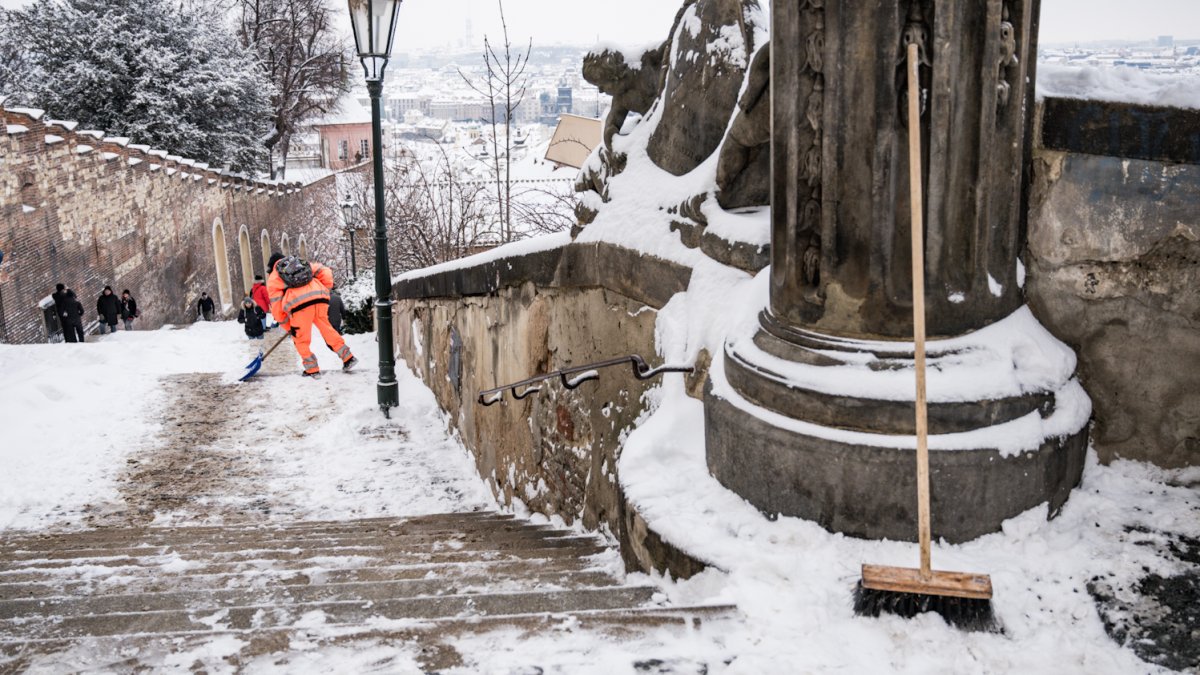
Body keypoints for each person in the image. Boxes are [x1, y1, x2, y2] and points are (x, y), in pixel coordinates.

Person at [267, 254, 356, 377]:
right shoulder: (299, 263)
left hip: (299, 306)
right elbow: (325, 271)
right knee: (328, 330)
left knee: (301, 339)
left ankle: (312, 369)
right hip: (320, 298)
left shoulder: (274, 277)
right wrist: (325, 288)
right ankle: (348, 357)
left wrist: (289, 326)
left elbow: (277, 307)